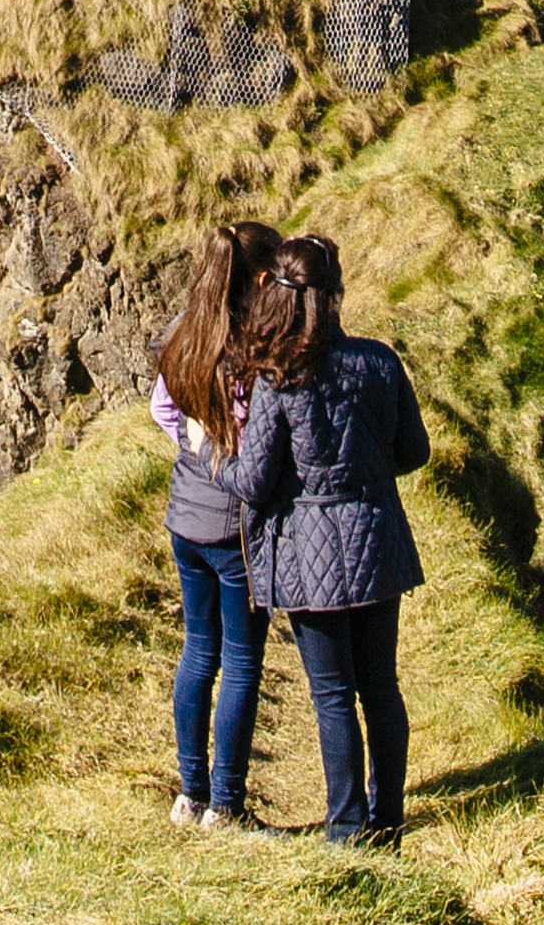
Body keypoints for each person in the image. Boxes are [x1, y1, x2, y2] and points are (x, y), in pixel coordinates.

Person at [235, 231, 426, 846]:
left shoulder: (279, 379)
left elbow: (255, 482)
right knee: (381, 687)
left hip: (309, 554)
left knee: (333, 696)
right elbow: (414, 451)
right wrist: (363, 473)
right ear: (335, 294)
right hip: (375, 538)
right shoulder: (380, 361)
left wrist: (212, 456)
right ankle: (387, 818)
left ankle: (346, 827)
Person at [146, 219, 281, 829]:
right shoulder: (254, 349)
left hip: (185, 518)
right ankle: (226, 804)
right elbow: (256, 442)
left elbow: (159, 407)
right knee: (243, 661)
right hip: (235, 528)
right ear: (257, 277)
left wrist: (192, 444)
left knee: (198, 651)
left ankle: (190, 792)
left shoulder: (182, 334)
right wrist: (219, 454)